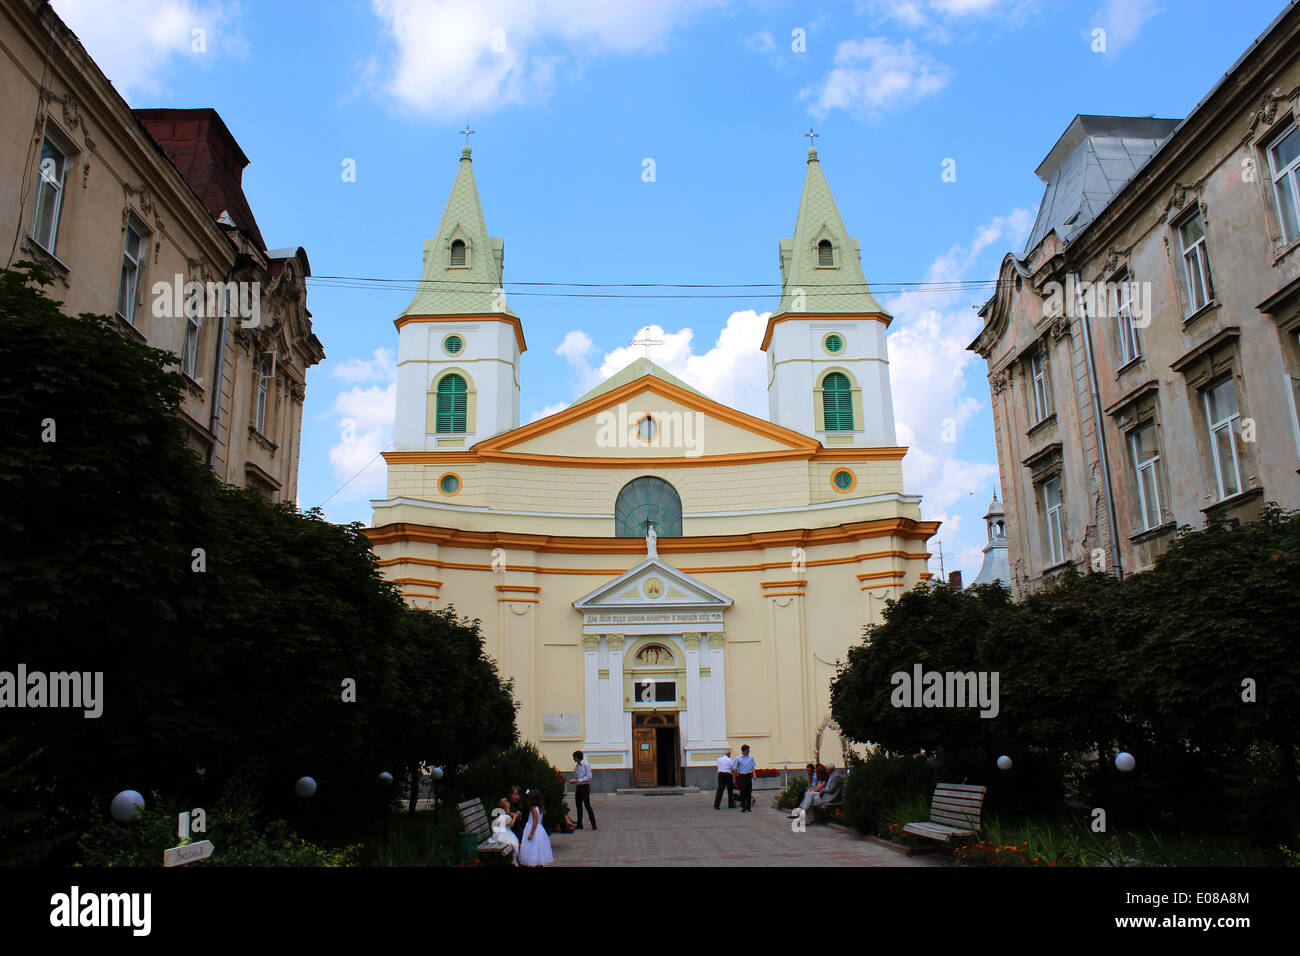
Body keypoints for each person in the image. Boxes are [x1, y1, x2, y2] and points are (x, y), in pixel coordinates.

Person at [518, 789, 553, 867]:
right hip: (539, 830)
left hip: (533, 829)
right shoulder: (540, 808)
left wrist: (531, 833)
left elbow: (535, 822)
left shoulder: (533, 809)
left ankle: (532, 863)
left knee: (532, 848)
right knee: (537, 849)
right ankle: (537, 863)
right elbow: (541, 821)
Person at [572, 750, 597, 830]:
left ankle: (593, 824)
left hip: (585, 786)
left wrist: (579, 780)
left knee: (587, 805)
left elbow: (589, 776)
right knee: (578, 806)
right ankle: (580, 824)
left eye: (574, 757)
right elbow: (576, 777)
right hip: (578, 787)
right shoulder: (577, 766)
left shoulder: (586, 765)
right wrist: (574, 780)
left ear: (578, 757)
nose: (573, 759)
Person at [733, 744, 756, 812]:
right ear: (744, 750)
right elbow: (734, 768)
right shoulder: (738, 758)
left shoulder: (750, 757)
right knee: (743, 792)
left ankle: (749, 807)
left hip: (748, 775)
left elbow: (753, 766)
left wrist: (754, 774)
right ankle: (743, 806)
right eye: (748, 750)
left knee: (749, 792)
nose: (749, 751)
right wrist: (734, 778)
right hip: (742, 776)